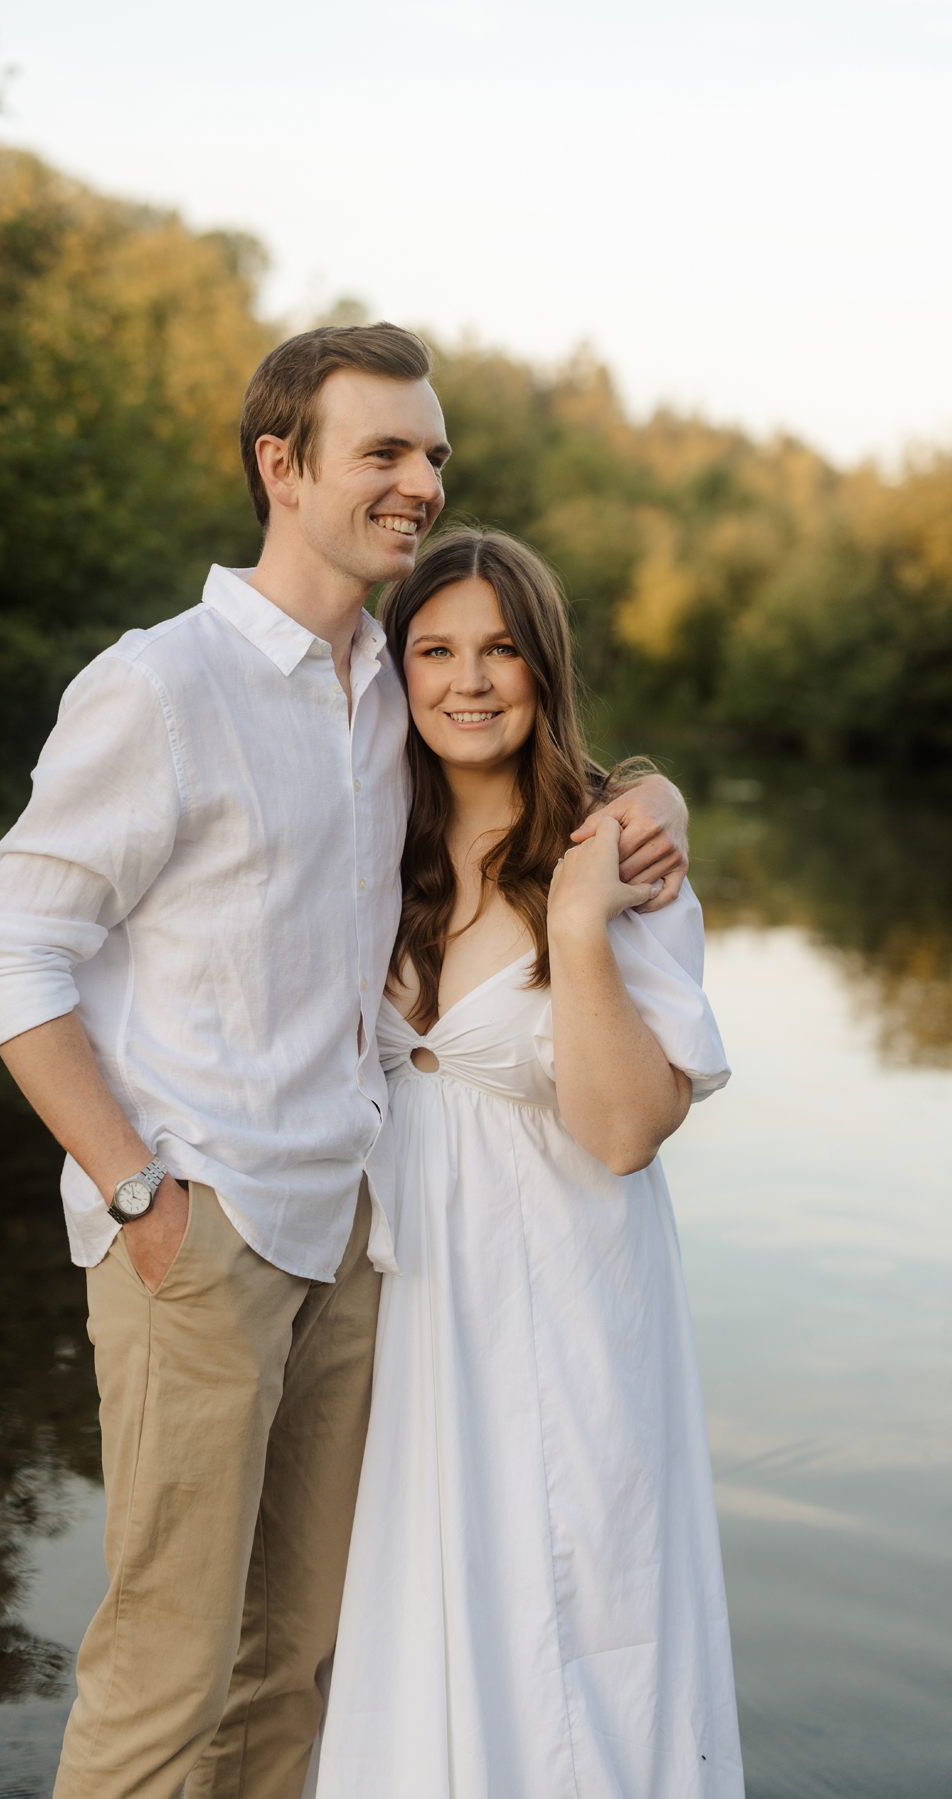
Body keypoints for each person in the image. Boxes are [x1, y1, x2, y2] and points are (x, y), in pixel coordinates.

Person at [0, 324, 692, 1799]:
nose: (419, 482)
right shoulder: (163, 686)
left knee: (295, 1661)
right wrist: (137, 1185)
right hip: (202, 1226)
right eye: (385, 452)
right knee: (167, 1664)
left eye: (433, 455)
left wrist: (653, 799)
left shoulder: (382, 686)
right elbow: (2, 950)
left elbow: (528, 752)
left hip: (356, 1233)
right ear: (280, 468)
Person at [313, 528, 744, 1799]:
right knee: (415, 1587)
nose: (470, 679)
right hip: (413, 1294)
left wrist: (575, 920)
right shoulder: (370, 847)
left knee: (582, 1592)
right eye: (435, 649)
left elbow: (621, 1130)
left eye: (501, 648)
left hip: (570, 1287)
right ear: (396, 672)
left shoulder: (623, 861)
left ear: (544, 666)